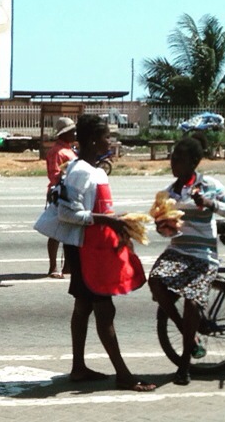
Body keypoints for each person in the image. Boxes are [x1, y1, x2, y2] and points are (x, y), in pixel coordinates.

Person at [57, 114, 155, 392]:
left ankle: (78, 367)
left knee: (84, 306)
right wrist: (107, 220)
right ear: (91, 141)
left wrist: (116, 220)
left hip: (95, 247)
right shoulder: (79, 172)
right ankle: (123, 374)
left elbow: (95, 210)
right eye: (105, 136)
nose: (109, 141)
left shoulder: (94, 170)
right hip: (88, 251)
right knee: (104, 309)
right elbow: (67, 213)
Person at [150, 135, 225, 385]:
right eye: (173, 158)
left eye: (179, 159)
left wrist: (211, 203)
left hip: (204, 254)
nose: (174, 163)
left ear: (194, 162)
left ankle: (184, 365)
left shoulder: (211, 184)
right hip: (178, 251)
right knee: (155, 280)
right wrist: (163, 225)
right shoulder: (170, 192)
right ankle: (188, 334)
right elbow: (169, 231)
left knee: (192, 302)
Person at [44, 117, 77, 278]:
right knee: (56, 230)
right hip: (59, 192)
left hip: (70, 192)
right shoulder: (57, 152)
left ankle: (67, 266)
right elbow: (55, 175)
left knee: (69, 229)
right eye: (72, 131)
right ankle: (53, 267)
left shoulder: (70, 150)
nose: (75, 133)